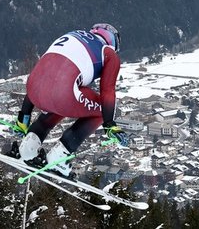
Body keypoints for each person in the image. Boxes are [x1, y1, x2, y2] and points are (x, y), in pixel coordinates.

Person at [12, 23, 124, 177]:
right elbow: (108, 91)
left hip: (34, 89)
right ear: (113, 43)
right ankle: (59, 157)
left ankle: (28, 148)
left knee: (63, 97)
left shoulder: (71, 35)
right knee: (100, 111)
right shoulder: (108, 53)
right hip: (62, 94)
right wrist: (110, 124)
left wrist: (23, 118)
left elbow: (42, 76)